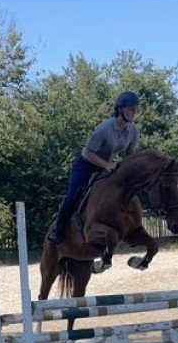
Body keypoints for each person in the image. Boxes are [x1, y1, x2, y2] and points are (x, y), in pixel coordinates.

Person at [47, 91, 141, 244]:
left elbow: (130, 154)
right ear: (121, 109)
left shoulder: (133, 131)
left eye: (136, 109)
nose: (134, 112)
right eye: (131, 108)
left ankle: (129, 229)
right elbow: (87, 153)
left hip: (105, 167)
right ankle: (58, 230)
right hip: (86, 165)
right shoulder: (104, 128)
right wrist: (106, 165)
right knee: (72, 196)